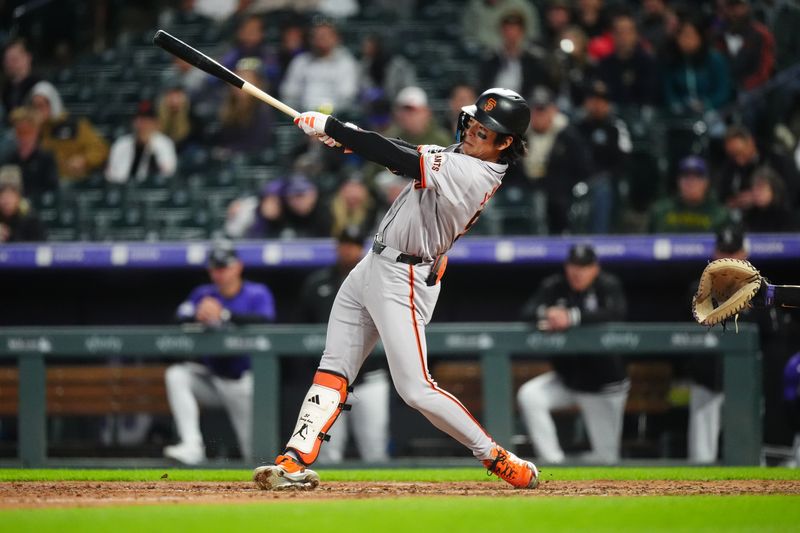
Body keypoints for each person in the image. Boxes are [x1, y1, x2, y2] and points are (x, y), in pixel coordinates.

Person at [253, 87, 539, 490]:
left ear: (505, 142)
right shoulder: (462, 155)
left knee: (415, 389)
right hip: (374, 263)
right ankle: (295, 460)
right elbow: (403, 149)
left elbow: (399, 157)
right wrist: (345, 137)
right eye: (475, 121)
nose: (474, 129)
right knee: (334, 365)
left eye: (485, 129)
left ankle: (495, 457)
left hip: (404, 276)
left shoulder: (476, 172)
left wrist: (334, 127)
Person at [164, 240, 276, 465]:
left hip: (242, 382)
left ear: (238, 267)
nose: (219, 273)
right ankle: (192, 445)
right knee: (177, 375)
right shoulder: (202, 294)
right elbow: (177, 318)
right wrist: (198, 314)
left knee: (255, 456)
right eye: (215, 268)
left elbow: (265, 320)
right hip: (210, 378)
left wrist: (224, 315)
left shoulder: (256, 293)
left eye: (224, 267)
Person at [517, 243, 630, 464]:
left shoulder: (607, 285)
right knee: (530, 395)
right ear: (567, 267)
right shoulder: (555, 286)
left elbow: (617, 313)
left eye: (584, 266)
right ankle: (553, 462)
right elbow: (527, 312)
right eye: (573, 265)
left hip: (603, 386)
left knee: (606, 460)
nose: (578, 272)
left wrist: (573, 317)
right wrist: (548, 313)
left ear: (595, 268)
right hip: (569, 380)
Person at [295, 225, 391, 463]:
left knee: (375, 450)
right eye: (344, 244)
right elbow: (300, 330)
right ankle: (328, 500)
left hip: (370, 379)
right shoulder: (318, 283)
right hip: (331, 378)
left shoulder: (378, 280)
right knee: (327, 453)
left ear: (361, 248)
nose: (348, 250)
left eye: (353, 245)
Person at [518, 85, 593, 235]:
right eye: (535, 109)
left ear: (553, 110)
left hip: (559, 195)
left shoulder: (568, 136)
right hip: (525, 190)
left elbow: (583, 168)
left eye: (542, 109)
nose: (538, 114)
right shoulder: (518, 135)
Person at [29, 81, 109, 181]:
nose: (38, 111)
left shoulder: (75, 125)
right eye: (34, 106)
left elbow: (100, 149)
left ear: (53, 104)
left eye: (41, 105)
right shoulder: (30, 129)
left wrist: (84, 160)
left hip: (73, 182)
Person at [279, 19, 359, 113]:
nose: (321, 39)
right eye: (317, 35)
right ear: (311, 39)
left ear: (336, 38)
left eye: (325, 35)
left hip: (337, 118)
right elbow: (288, 93)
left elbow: (348, 95)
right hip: (304, 116)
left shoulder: (346, 63)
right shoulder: (300, 61)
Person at [662, 14, 733, 117]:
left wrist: (706, 104)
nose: (685, 40)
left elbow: (723, 91)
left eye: (690, 35)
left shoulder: (714, 59)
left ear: (700, 37)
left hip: (712, 112)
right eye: (681, 35)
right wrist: (677, 105)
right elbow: (669, 91)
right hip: (681, 113)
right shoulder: (672, 60)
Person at [478, 11, 556, 98]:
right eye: (507, 30)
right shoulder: (491, 58)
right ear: (501, 32)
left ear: (522, 32)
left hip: (524, 104)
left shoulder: (533, 59)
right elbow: (483, 85)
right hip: (493, 104)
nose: (511, 34)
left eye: (514, 30)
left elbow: (540, 86)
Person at [648, 155, 730, 233]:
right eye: (685, 175)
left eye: (698, 176)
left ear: (706, 182)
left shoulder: (720, 215)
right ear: (678, 181)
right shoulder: (660, 211)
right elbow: (645, 244)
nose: (691, 182)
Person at [595, 9, 660, 108]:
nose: (624, 37)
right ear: (612, 35)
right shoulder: (605, 64)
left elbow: (650, 95)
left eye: (628, 32)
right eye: (619, 32)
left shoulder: (647, 62)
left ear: (636, 35)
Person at [105, 100, 178, 184]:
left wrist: (150, 147)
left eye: (147, 120)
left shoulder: (165, 143)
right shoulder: (121, 144)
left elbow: (168, 172)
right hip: (123, 190)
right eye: (140, 119)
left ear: (156, 123)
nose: (143, 124)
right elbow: (110, 175)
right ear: (134, 122)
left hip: (152, 191)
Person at [714, 0, 775, 92]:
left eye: (738, 6)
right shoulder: (720, 34)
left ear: (747, 7)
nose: (734, 11)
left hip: (755, 91)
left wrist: (744, 87)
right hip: (727, 89)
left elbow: (765, 70)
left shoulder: (761, 33)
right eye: (730, 7)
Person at [4, 107, 58, 201]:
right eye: (19, 132)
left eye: (28, 132)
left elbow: (51, 189)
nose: (23, 138)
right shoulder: (8, 158)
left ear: (36, 132)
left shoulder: (46, 158)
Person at [0, 164, 46, 243]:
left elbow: (39, 250)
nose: (6, 201)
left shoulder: (32, 220)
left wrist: (9, 238)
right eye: (2, 196)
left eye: (10, 196)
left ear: (19, 197)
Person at [2, 39, 40, 119]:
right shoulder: (6, 88)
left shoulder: (40, 86)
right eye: (6, 60)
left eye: (14, 59)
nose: (9, 64)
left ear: (28, 58)